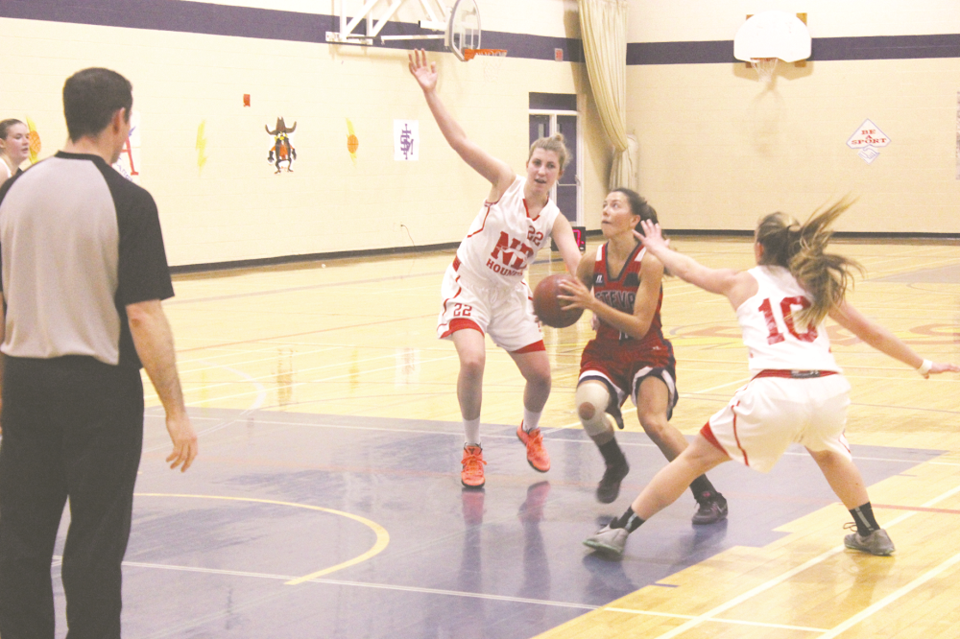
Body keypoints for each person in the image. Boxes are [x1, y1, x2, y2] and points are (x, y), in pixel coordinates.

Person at [583, 200, 959, 558]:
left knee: (693, 460)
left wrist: (657, 247)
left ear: (759, 248)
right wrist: (923, 364)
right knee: (829, 453)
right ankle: (871, 531)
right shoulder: (814, 284)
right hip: (828, 389)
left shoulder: (741, 280)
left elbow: (688, 270)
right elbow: (871, 331)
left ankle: (620, 528)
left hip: (776, 391)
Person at [0, 68, 198, 638]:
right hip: (98, 392)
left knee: (21, 543)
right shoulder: (128, 200)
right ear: (119, 120)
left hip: (25, 385)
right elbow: (142, 315)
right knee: (94, 546)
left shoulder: (12, 192)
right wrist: (176, 410)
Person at [408, 50, 582, 488]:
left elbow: (578, 266)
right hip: (469, 282)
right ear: (527, 165)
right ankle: (472, 449)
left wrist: (594, 294)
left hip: (509, 294)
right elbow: (460, 142)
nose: (541, 170)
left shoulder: (555, 218)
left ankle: (529, 428)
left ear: (559, 174)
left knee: (542, 374)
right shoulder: (504, 181)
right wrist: (431, 93)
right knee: (472, 361)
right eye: (536, 163)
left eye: (550, 166)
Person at [558, 189, 727, 522]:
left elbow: (638, 326)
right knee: (588, 408)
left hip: (646, 351)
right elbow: (569, 304)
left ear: (634, 220)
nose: (606, 210)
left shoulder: (648, 261)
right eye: (604, 204)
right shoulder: (591, 260)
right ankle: (615, 462)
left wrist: (595, 304)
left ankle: (708, 495)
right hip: (605, 351)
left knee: (654, 423)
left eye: (615, 205)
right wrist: (550, 309)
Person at [0, 119, 30, 183]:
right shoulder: (1, 169)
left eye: (27, 137)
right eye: (18, 137)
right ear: (1, 143)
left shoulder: (16, 172)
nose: (26, 142)